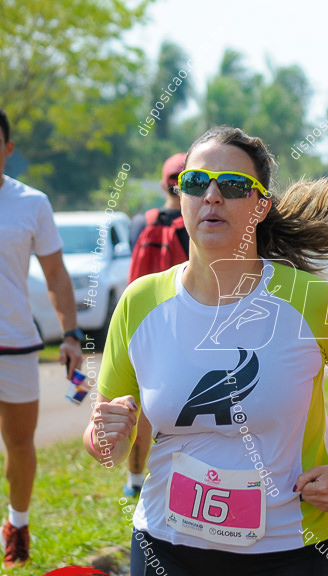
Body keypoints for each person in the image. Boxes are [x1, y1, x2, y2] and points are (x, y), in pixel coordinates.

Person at [85, 126, 328, 576]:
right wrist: (103, 434)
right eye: (196, 182)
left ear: (260, 205)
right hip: (169, 549)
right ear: (179, 196)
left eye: (231, 185)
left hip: (288, 554)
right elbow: (104, 433)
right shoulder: (141, 302)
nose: (211, 196)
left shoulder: (313, 302)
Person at [0, 108, 84, 568]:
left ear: (8, 149)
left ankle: (18, 523)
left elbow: (55, 273)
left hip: (15, 344)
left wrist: (70, 334)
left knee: (19, 443)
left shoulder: (32, 203)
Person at [123, 153, 187, 499]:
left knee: (139, 406)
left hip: (142, 319)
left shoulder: (140, 221)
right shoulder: (196, 221)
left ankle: (135, 481)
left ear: (164, 183)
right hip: (183, 322)